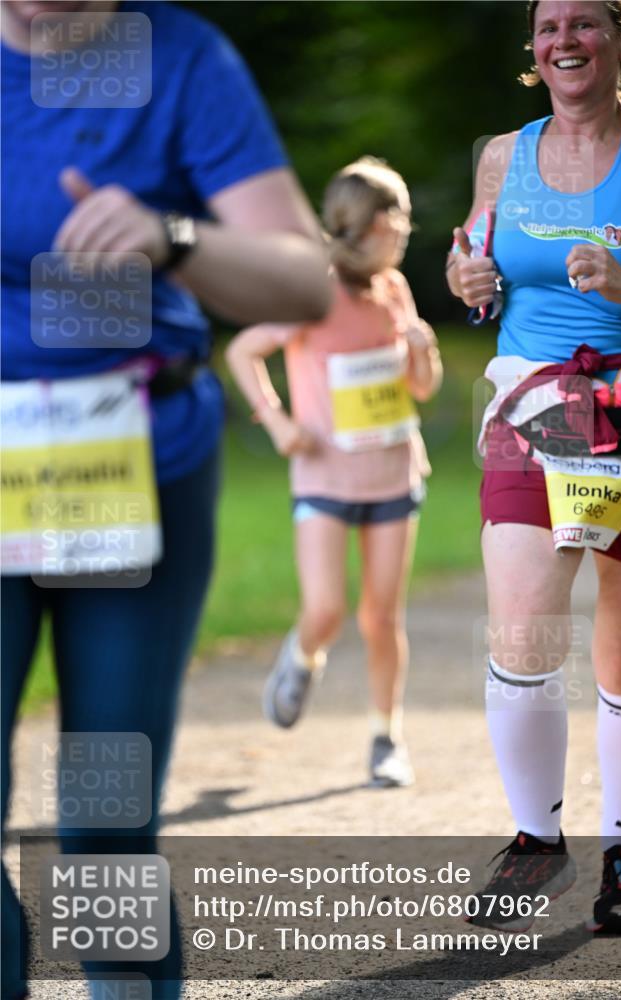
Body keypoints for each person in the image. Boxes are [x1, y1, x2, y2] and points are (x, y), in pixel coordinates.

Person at [1, 2, 330, 998]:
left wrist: (172, 235)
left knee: (104, 814)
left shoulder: (180, 58)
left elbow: (305, 281)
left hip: (127, 463)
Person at [447, 0, 621, 935]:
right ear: (531, 52)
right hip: (530, 405)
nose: (563, 41)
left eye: (585, 24)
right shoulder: (501, 154)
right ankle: (536, 842)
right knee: (523, 632)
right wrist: (465, 282)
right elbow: (473, 258)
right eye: (547, 28)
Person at [226, 157, 443, 788]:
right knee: (324, 610)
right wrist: (276, 421)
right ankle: (301, 657)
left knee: (381, 617)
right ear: (376, 223)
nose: (407, 228)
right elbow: (243, 350)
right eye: (399, 216)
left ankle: (386, 737)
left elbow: (421, 390)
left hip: (394, 474)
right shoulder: (311, 291)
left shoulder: (394, 289)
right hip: (323, 478)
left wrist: (423, 351)